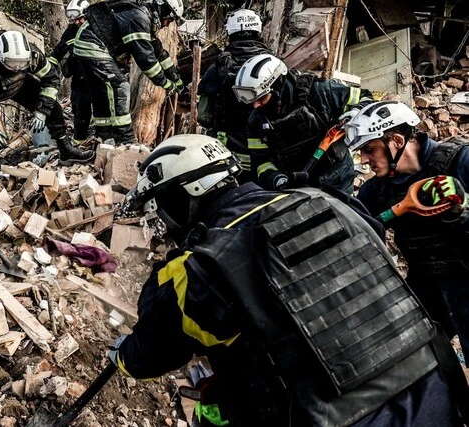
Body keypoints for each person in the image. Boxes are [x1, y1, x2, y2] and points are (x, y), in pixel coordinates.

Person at [110, 133, 467, 426]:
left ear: (185, 196)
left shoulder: (196, 270)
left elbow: (149, 356)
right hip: (436, 389)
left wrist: (122, 356)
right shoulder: (328, 201)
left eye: (162, 206)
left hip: (339, 417)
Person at [344, 100, 469, 360]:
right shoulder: (375, 190)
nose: (364, 160)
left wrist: (464, 207)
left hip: (466, 278)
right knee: (421, 357)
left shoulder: (461, 160)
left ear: (397, 141)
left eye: (369, 149)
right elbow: (361, 232)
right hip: (425, 283)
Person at [0, 29, 94, 192]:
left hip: (20, 84)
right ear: (0, 57)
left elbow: (51, 80)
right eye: (12, 64)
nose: (17, 68)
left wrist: (42, 111)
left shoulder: (33, 54)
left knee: (52, 107)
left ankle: (66, 149)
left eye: (21, 64)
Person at [234, 53, 372, 193]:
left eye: (261, 97)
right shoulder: (257, 119)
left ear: (276, 87)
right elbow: (260, 160)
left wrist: (356, 113)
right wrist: (276, 178)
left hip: (337, 176)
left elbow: (365, 97)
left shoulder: (320, 91)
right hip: (299, 186)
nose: (255, 105)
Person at [72, 0, 185, 144]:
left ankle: (104, 135)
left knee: (103, 92)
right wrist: (165, 84)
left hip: (85, 45)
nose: (167, 24)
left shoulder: (141, 16)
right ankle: (126, 139)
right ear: (162, 9)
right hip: (91, 45)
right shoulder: (139, 19)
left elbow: (158, 52)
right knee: (120, 86)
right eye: (170, 19)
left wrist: (176, 79)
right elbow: (146, 60)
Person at [197, 9, 273, 183]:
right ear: (258, 31)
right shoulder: (274, 65)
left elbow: (203, 116)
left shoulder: (218, 68)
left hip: (227, 156)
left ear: (230, 33)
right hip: (267, 159)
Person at [49, 0, 94, 144]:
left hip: (99, 76)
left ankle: (105, 140)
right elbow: (57, 54)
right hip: (80, 78)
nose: (77, 23)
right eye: (74, 20)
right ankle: (79, 141)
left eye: (80, 18)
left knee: (104, 110)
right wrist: (46, 74)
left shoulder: (98, 27)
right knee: (80, 109)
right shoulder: (70, 32)